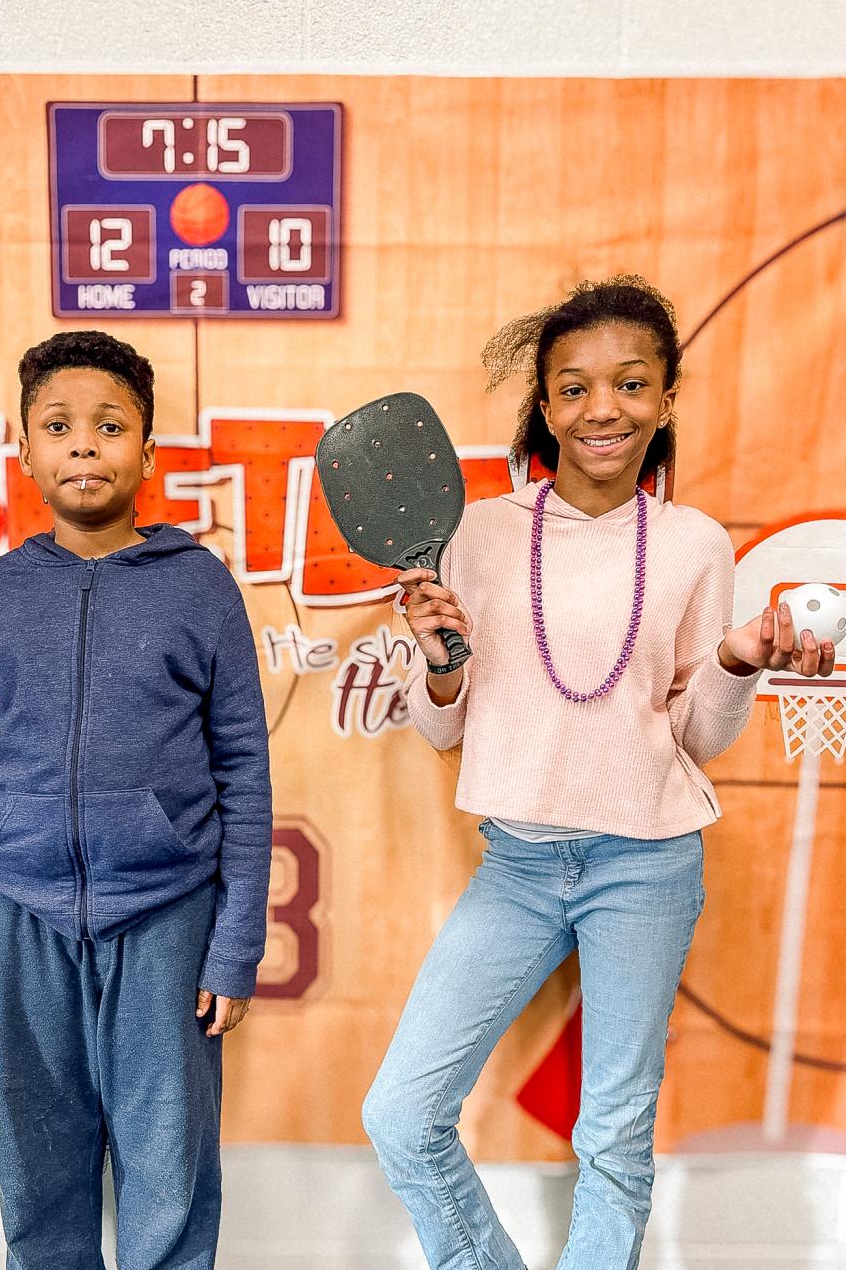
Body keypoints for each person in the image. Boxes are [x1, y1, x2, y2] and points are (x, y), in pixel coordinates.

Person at [361, 276, 835, 1269]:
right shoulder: (479, 533)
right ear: (544, 405)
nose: (601, 409)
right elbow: (443, 727)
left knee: (613, 1139)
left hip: (646, 866)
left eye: (629, 383)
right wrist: (440, 664)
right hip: (518, 865)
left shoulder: (694, 544)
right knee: (401, 1111)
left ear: (665, 397)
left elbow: (696, 736)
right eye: (573, 388)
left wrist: (736, 658)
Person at [0, 330, 272, 1270]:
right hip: (18, 915)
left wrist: (235, 945)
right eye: (59, 426)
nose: (84, 443)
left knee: (169, 1162)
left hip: (167, 916)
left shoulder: (200, 588)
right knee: (39, 1168)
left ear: (148, 452)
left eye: (110, 426)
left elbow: (244, 772)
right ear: (25, 451)